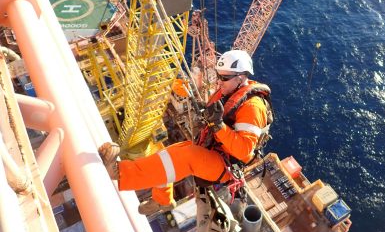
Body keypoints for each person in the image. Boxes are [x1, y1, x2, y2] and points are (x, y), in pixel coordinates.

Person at [98, 49, 272, 215]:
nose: (219, 81)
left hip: (226, 165)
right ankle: (162, 199)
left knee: (186, 156)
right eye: (218, 76)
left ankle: (119, 172)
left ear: (240, 78)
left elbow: (244, 151)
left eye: (224, 78)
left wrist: (218, 125)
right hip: (216, 150)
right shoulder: (229, 91)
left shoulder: (253, 107)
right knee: (170, 154)